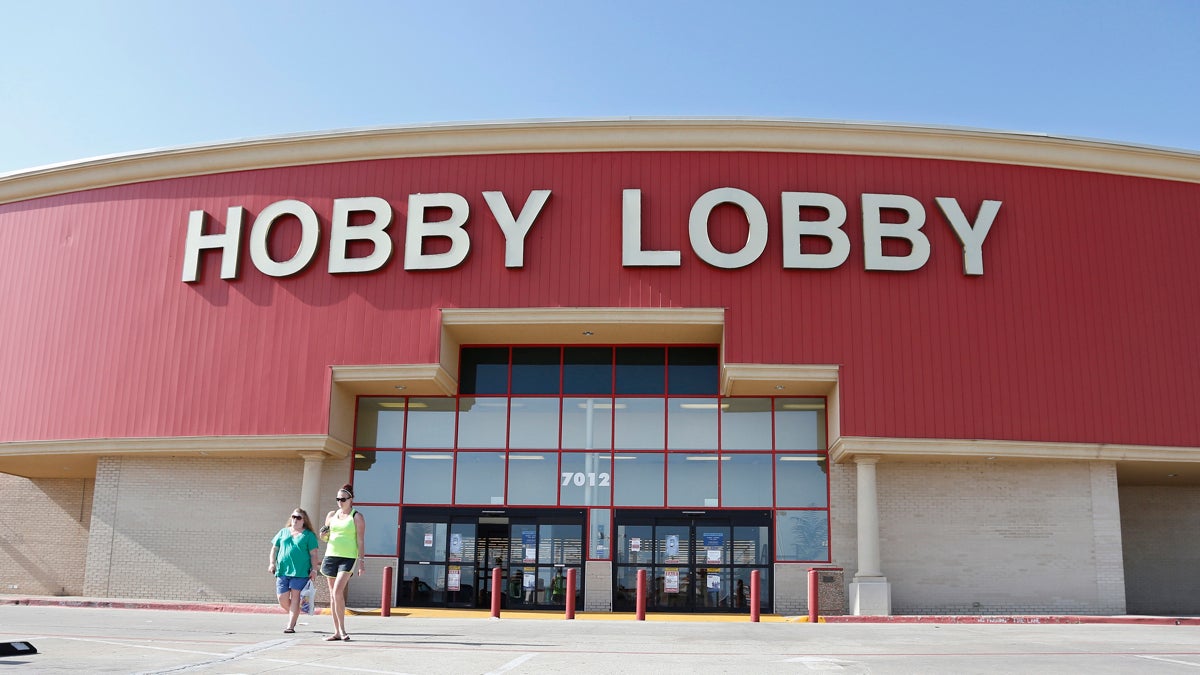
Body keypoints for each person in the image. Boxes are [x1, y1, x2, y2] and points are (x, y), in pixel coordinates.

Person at [319, 484, 366, 641]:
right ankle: (337, 631)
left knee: (338, 591)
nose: (340, 502)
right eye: (338, 499)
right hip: (331, 556)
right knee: (333, 595)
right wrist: (323, 535)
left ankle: (343, 630)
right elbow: (326, 538)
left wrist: (362, 561)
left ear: (351, 499)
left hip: (348, 557)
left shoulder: (356, 517)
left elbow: (360, 540)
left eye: (343, 499)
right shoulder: (331, 515)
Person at [268, 508, 319, 634]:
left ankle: (290, 625)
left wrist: (314, 570)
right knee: (282, 598)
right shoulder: (283, 532)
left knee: (295, 597)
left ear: (304, 521)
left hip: (300, 572)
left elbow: (314, 554)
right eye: (293, 517)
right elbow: (274, 549)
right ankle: (294, 612)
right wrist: (272, 563)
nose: (295, 520)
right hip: (282, 571)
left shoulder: (308, 535)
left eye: (298, 518)